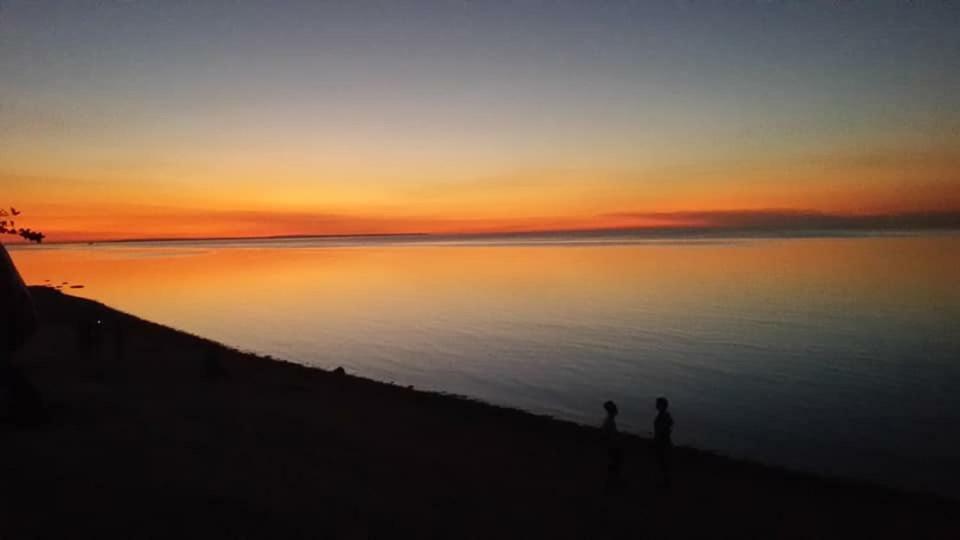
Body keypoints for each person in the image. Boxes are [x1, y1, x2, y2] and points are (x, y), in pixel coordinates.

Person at [0, 243, 45, 426]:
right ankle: (29, 409)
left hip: (13, 317)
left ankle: (31, 411)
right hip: (18, 315)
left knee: (3, 366)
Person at [601, 400, 623, 491]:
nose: (617, 410)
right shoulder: (609, 421)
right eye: (615, 408)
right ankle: (611, 484)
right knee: (614, 465)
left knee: (614, 464)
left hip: (612, 446)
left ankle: (611, 482)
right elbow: (607, 435)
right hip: (612, 446)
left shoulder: (609, 421)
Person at [653, 396, 673, 489]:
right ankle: (664, 481)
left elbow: (665, 429)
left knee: (663, 462)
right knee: (661, 462)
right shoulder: (664, 415)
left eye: (658, 404)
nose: (656, 405)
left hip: (662, 442)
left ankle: (665, 482)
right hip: (662, 441)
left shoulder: (664, 416)